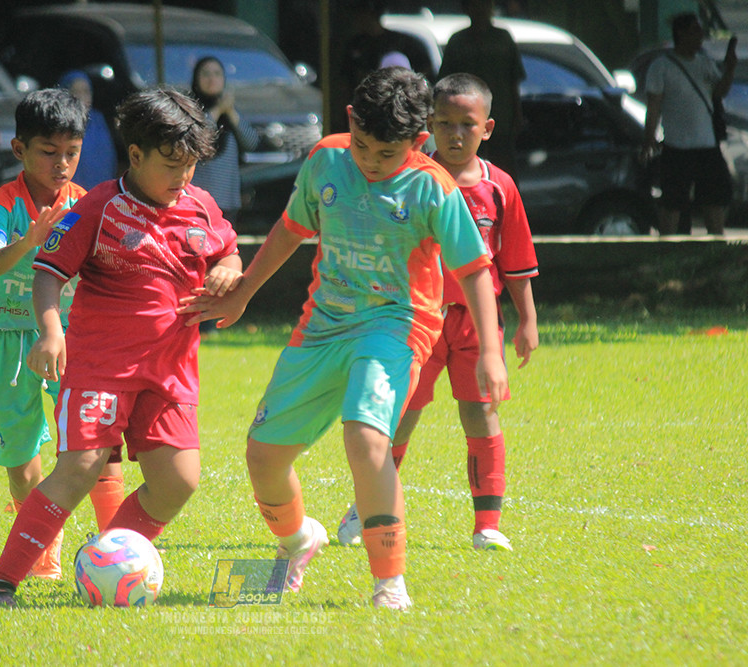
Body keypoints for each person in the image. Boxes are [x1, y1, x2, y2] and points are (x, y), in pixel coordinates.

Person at [179, 67, 508, 610]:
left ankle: (389, 582)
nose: (372, 163)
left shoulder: (432, 186)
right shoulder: (326, 161)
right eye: (363, 146)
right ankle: (299, 540)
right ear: (350, 122)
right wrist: (242, 293)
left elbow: (473, 270)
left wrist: (491, 353)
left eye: (388, 154)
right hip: (323, 325)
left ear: (418, 141)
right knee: (262, 456)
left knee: (365, 436)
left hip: (396, 325)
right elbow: (291, 229)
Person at [0, 87, 243, 607]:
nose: (183, 177)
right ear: (136, 156)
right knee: (81, 466)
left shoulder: (201, 207)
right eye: (171, 164)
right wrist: (51, 331)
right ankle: (1, 581)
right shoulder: (97, 206)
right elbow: (48, 275)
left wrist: (228, 275)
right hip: (101, 368)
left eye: (190, 165)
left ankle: (105, 559)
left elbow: (226, 251)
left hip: (171, 372)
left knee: (178, 481)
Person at [337, 73, 538, 552]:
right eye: (444, 122)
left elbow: (515, 261)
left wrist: (527, 320)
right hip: (415, 319)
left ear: (486, 128)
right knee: (397, 417)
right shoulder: (408, 178)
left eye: (466, 124)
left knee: (481, 416)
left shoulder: (500, 187)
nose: (455, 133)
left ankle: (487, 524)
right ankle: (365, 509)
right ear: (427, 125)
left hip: (474, 325)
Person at [0, 88, 124, 583]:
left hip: (70, 337)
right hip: (6, 340)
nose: (62, 164)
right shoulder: (3, 205)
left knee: (94, 439)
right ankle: (44, 552)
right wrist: (28, 241)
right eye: (48, 152)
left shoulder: (84, 204)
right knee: (22, 454)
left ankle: (116, 548)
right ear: (19, 151)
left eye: (71, 153)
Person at [640, 13, 736, 236]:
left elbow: (719, 93)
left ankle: (715, 245)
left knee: (715, 198)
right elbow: (653, 106)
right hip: (676, 147)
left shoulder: (704, 63)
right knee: (672, 202)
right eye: (695, 31)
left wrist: (729, 69)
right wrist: (649, 139)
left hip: (707, 146)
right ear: (680, 34)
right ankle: (668, 248)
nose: (700, 36)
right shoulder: (661, 66)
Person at [438, 0, 526, 179]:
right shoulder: (457, 41)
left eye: (486, 4)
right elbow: (445, 84)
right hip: (465, 119)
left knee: (503, 168)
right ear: (467, 8)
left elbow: (514, 80)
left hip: (501, 117)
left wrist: (518, 114)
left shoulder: (503, 38)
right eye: (476, 5)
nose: (482, 9)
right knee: (467, 164)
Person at [331, 0, 434, 134]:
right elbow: (344, 83)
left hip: (397, 111)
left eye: (363, 13)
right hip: (363, 111)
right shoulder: (356, 44)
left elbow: (425, 77)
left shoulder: (401, 43)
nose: (358, 18)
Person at [188, 56, 260, 224]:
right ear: (196, 79)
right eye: (206, 74)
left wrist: (230, 113)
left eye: (217, 74)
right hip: (196, 201)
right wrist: (217, 111)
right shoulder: (191, 109)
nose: (212, 79)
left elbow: (252, 143)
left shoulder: (231, 112)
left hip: (227, 201)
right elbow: (195, 136)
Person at [58, 70, 119, 190]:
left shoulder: (98, 120)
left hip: (100, 196)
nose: (82, 97)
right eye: (76, 92)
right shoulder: (59, 125)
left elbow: (109, 160)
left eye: (86, 92)